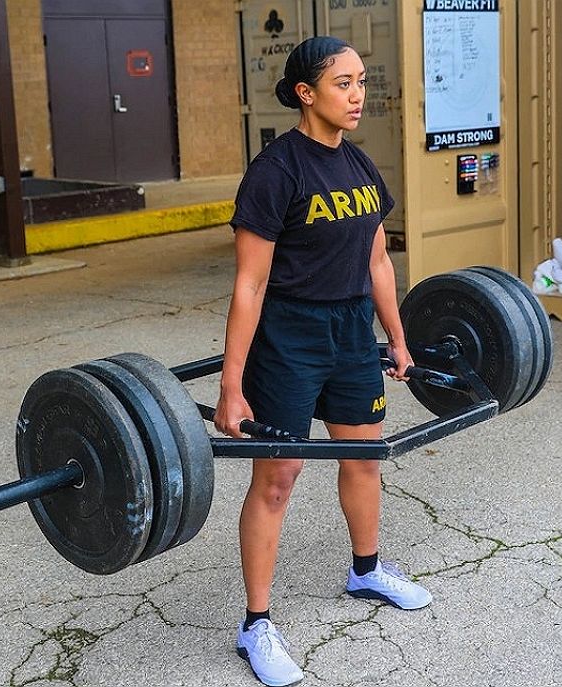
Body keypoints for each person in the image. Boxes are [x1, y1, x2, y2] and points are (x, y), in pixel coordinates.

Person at [214, 36, 432, 687]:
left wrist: (397, 337)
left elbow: (376, 264)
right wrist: (231, 385)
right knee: (277, 479)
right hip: (288, 342)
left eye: (361, 80)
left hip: (349, 337)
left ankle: (365, 569)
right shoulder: (277, 170)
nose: (358, 94)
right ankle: (255, 624)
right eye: (343, 82)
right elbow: (248, 285)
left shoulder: (361, 166)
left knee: (364, 457)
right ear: (305, 92)